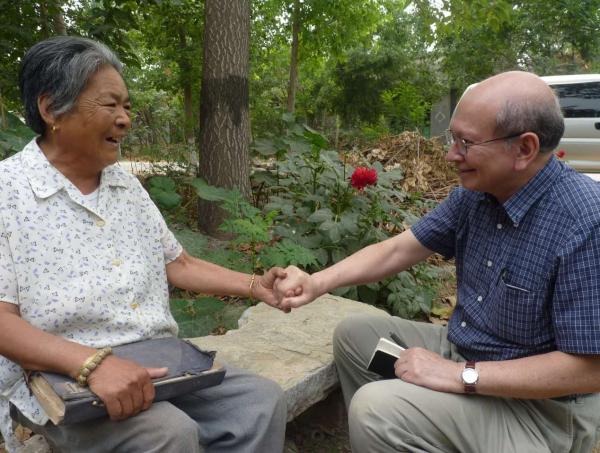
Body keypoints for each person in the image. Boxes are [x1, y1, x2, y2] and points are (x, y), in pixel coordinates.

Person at [274, 71, 600, 452]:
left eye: (466, 142)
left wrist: (460, 376)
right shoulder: (477, 195)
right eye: (452, 138)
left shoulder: (584, 222)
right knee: (355, 337)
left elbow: (590, 369)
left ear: (525, 149)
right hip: (471, 355)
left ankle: (395, 425)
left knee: (375, 410)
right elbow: (399, 249)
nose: (451, 154)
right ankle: (415, 435)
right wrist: (317, 283)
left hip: (541, 412)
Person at [0, 36, 288, 453]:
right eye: (110, 105)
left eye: (127, 106)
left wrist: (255, 285)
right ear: (50, 110)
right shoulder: (7, 191)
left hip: (156, 358)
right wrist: (91, 364)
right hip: (59, 375)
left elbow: (178, 262)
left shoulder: (124, 185)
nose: (125, 120)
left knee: (259, 402)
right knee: (168, 433)